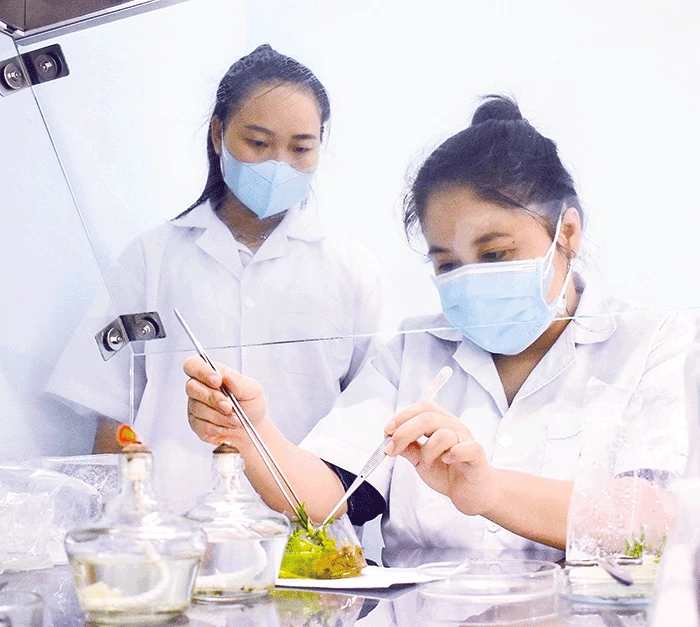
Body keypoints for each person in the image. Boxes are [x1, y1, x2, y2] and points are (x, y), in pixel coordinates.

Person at [183, 95, 692, 558]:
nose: (471, 279)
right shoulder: (414, 353)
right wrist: (252, 433)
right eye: (447, 264)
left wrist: (489, 491)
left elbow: (654, 518)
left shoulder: (652, 343)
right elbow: (332, 499)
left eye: (495, 254)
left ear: (569, 232)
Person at [46, 44, 396, 509]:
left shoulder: (351, 269)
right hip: (174, 529)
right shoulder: (153, 257)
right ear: (217, 134)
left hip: (302, 532)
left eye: (300, 148)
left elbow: (371, 425)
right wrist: (118, 530)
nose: (279, 165)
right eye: (258, 143)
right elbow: (111, 415)